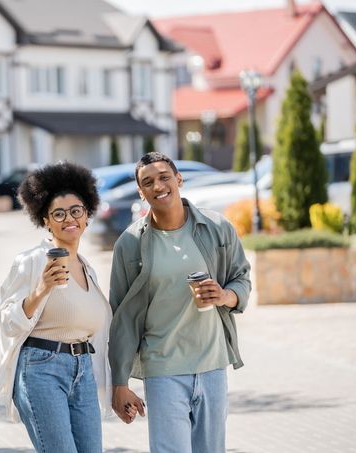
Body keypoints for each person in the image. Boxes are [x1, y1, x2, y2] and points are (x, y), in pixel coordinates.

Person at [108, 152, 251, 452]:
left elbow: (241, 277)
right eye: (148, 182)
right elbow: (120, 318)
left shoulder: (216, 228)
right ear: (141, 192)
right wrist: (119, 383)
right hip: (163, 370)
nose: (158, 186)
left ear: (179, 179)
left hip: (212, 366)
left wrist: (226, 296)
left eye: (164, 177)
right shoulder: (131, 243)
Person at [0, 161, 112, 453]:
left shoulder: (87, 267)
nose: (69, 218)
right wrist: (41, 289)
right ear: (45, 220)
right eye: (58, 213)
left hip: (82, 370)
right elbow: (8, 321)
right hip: (42, 369)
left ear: (87, 215)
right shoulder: (31, 261)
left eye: (76, 210)